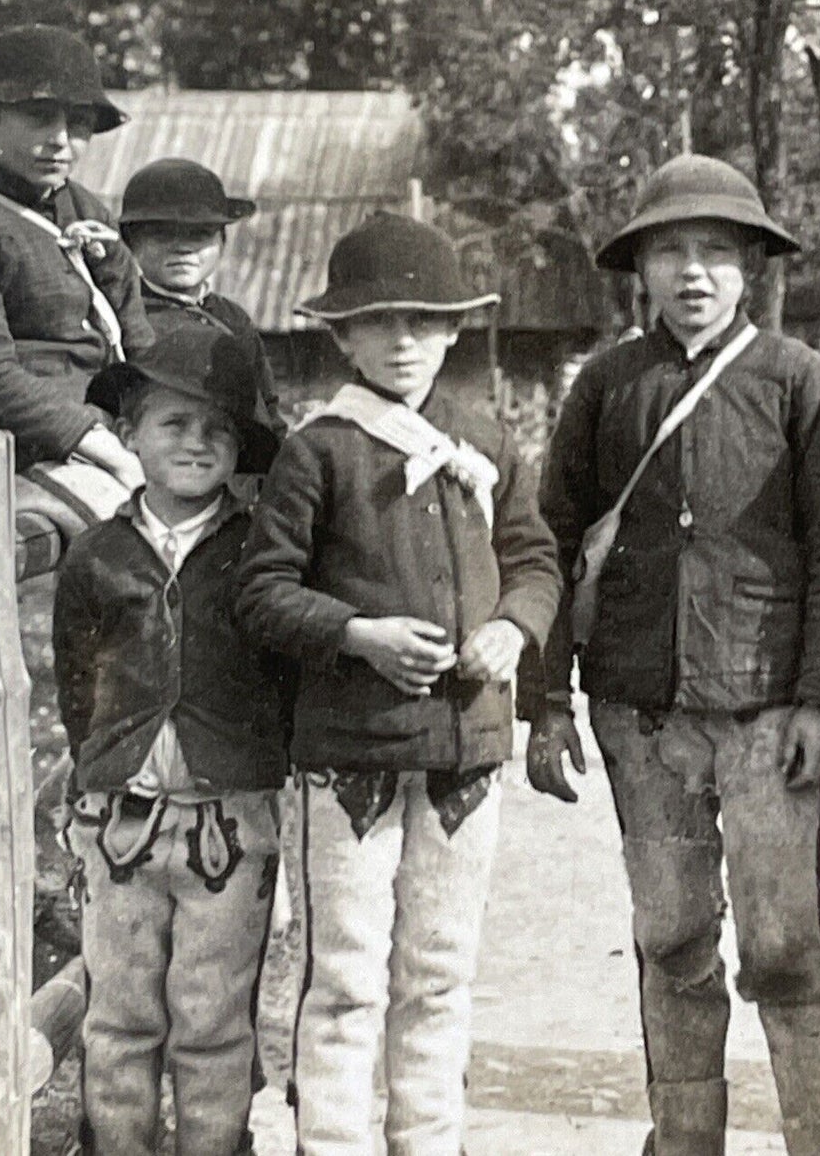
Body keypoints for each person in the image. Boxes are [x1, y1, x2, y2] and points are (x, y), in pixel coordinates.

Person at [528, 154, 820, 1156]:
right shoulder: (605, 383)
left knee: (781, 945)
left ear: (750, 268)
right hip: (641, 716)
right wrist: (548, 695)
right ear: (637, 267)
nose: (692, 273)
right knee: (671, 936)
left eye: (715, 252)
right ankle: (683, 1134)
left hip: (768, 712)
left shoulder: (792, 379)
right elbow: (551, 539)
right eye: (669, 250)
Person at [235, 212, 560, 1155]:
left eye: (424, 319)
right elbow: (261, 591)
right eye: (378, 321)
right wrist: (357, 633)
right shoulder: (320, 449)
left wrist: (511, 626)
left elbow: (535, 557)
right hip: (352, 758)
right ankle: (330, 1141)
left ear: (455, 328)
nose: (404, 339)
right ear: (341, 334)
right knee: (345, 978)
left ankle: (429, 1138)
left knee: (441, 970)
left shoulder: (484, 437)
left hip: (465, 753)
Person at [52, 325, 287, 1155]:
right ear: (129, 436)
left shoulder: (260, 550)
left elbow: (279, 681)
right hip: (119, 822)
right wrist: (102, 771)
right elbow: (77, 680)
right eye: (174, 425)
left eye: (217, 429)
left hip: (229, 823)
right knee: (118, 1017)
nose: (196, 443)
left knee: (214, 1018)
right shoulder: (97, 555)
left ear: (240, 448)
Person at [0, 25, 153, 536]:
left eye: (77, 123)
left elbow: (135, 338)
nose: (60, 140)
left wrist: (152, 429)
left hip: (107, 436)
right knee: (142, 535)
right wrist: (111, 450)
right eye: (39, 117)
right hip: (14, 450)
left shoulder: (85, 208)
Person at [120, 156, 284, 435]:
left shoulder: (233, 318)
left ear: (222, 242)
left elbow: (268, 409)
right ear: (131, 242)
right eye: (162, 234)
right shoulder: (125, 315)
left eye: (199, 234)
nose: (182, 248)